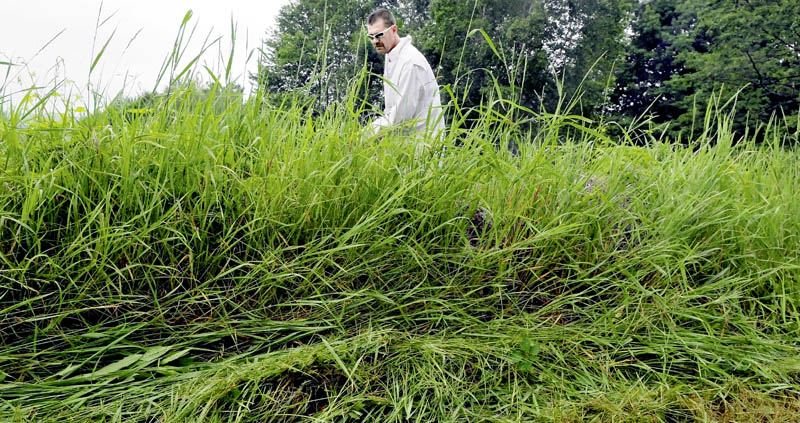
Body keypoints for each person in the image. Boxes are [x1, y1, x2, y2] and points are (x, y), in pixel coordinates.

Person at [365, 8, 446, 146]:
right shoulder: (391, 55)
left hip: (423, 146)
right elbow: (391, 110)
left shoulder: (410, 62)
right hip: (403, 144)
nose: (375, 41)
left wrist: (364, 135)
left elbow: (401, 116)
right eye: (371, 37)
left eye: (379, 35)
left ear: (394, 30)